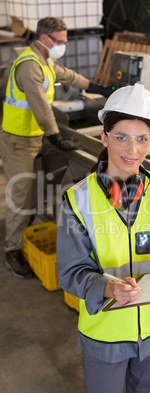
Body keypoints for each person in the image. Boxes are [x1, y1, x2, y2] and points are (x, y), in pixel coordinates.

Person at [57, 83, 150, 393]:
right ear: (104, 136)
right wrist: (109, 288)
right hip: (106, 334)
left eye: (142, 138)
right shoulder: (78, 200)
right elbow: (71, 272)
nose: (132, 150)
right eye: (121, 136)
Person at [0, 16, 112, 279]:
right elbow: (40, 106)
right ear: (44, 38)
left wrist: (99, 88)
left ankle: (25, 234)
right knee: (21, 195)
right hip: (19, 141)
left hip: (33, 138)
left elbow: (69, 76)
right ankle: (11, 250)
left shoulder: (45, 61)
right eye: (60, 41)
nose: (64, 45)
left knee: (33, 192)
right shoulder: (29, 66)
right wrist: (55, 136)